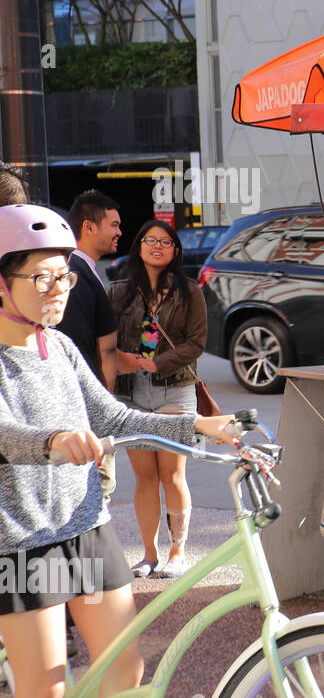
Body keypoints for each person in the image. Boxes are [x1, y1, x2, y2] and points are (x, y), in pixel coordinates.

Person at [0, 204, 238, 698]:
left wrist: (198, 425)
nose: (59, 287)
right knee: (42, 691)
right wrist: (51, 441)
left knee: (126, 666)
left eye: (64, 274)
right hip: (24, 542)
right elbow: (6, 433)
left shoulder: (56, 346)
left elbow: (112, 417)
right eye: (42, 276)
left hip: (85, 524)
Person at [108, 222, 207, 579]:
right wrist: (123, 360)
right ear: (138, 247)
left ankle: (177, 551)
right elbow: (103, 339)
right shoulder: (119, 292)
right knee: (145, 477)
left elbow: (196, 343)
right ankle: (149, 554)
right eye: (150, 240)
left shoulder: (189, 292)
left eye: (166, 242)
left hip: (174, 388)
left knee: (173, 476)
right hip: (131, 391)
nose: (157, 247)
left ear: (175, 252)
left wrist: (157, 362)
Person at [57, 191, 121, 387]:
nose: (119, 233)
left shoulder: (79, 269)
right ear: (89, 227)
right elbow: (98, 347)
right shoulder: (76, 274)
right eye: (114, 225)